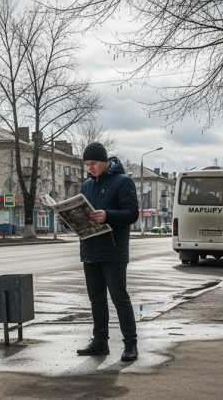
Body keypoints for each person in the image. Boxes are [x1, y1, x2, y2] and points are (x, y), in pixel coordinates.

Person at [71, 143, 140, 361]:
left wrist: (107, 215)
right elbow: (83, 216)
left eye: (93, 163)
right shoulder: (87, 186)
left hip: (113, 249)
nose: (89, 168)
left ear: (104, 161)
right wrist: (69, 220)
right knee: (96, 299)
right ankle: (100, 342)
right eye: (87, 164)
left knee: (119, 297)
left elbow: (132, 214)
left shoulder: (123, 182)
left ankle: (131, 344)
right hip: (90, 248)